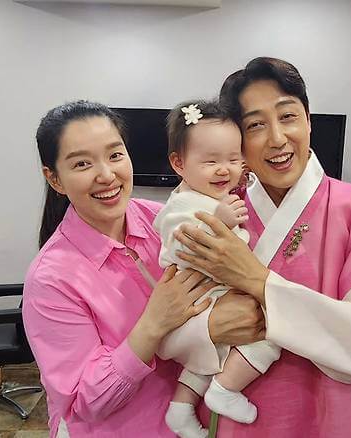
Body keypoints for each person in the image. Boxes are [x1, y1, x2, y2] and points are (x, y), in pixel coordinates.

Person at [170, 57, 351, 437]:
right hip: (235, 426)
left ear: (308, 120)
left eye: (288, 116)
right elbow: (170, 323)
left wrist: (258, 281)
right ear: (238, 139)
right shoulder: (217, 213)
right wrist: (209, 327)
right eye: (256, 125)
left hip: (332, 422)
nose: (277, 138)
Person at [22, 100, 265, 438]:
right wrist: (154, 325)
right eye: (82, 163)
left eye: (115, 155)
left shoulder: (159, 218)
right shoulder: (51, 279)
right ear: (55, 179)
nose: (107, 175)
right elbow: (82, 402)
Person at [155, 100, 281, 437]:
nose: (224, 170)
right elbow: (182, 246)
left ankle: (181, 407)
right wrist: (219, 223)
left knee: (210, 357)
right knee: (273, 335)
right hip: (202, 296)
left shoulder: (209, 198)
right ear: (179, 163)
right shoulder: (183, 205)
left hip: (213, 293)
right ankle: (225, 389)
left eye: (234, 159)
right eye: (210, 161)